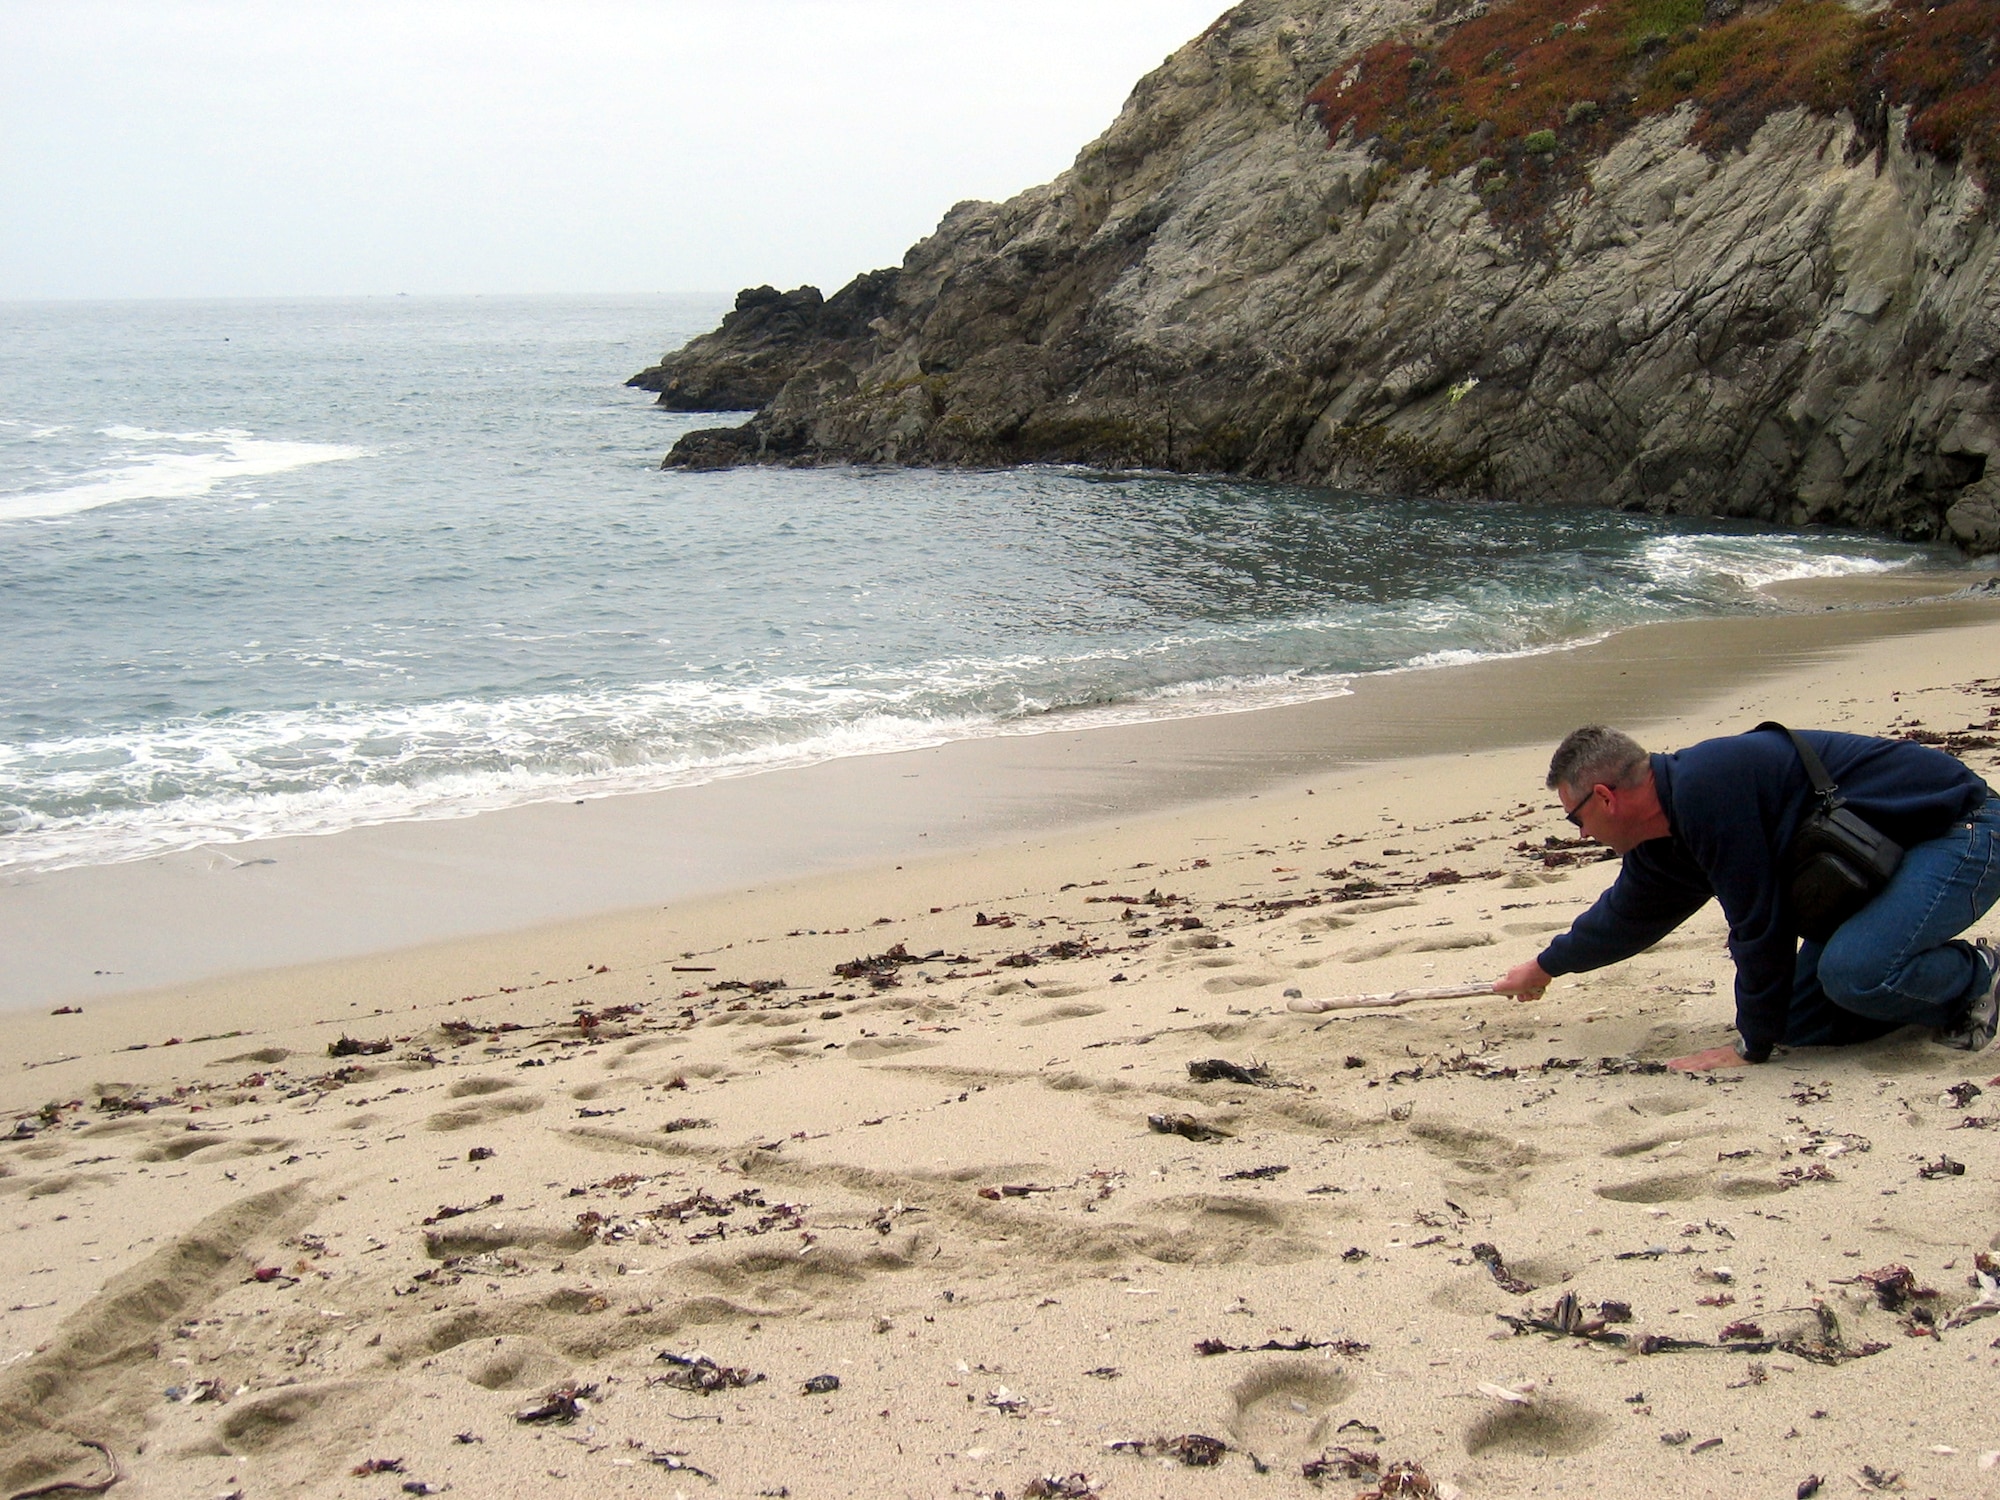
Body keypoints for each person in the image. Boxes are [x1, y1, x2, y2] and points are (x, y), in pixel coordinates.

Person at [1494, 724, 2000, 1070]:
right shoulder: (1665, 837)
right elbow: (1628, 916)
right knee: (1795, 1021)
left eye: (1575, 817)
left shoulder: (1708, 789)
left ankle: (1980, 973)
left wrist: (1750, 1047)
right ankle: (1919, 975)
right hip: (1887, 860)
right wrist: (1546, 966)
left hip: (1963, 829)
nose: (1580, 834)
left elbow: (1761, 926)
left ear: (1605, 797)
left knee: (1856, 974)